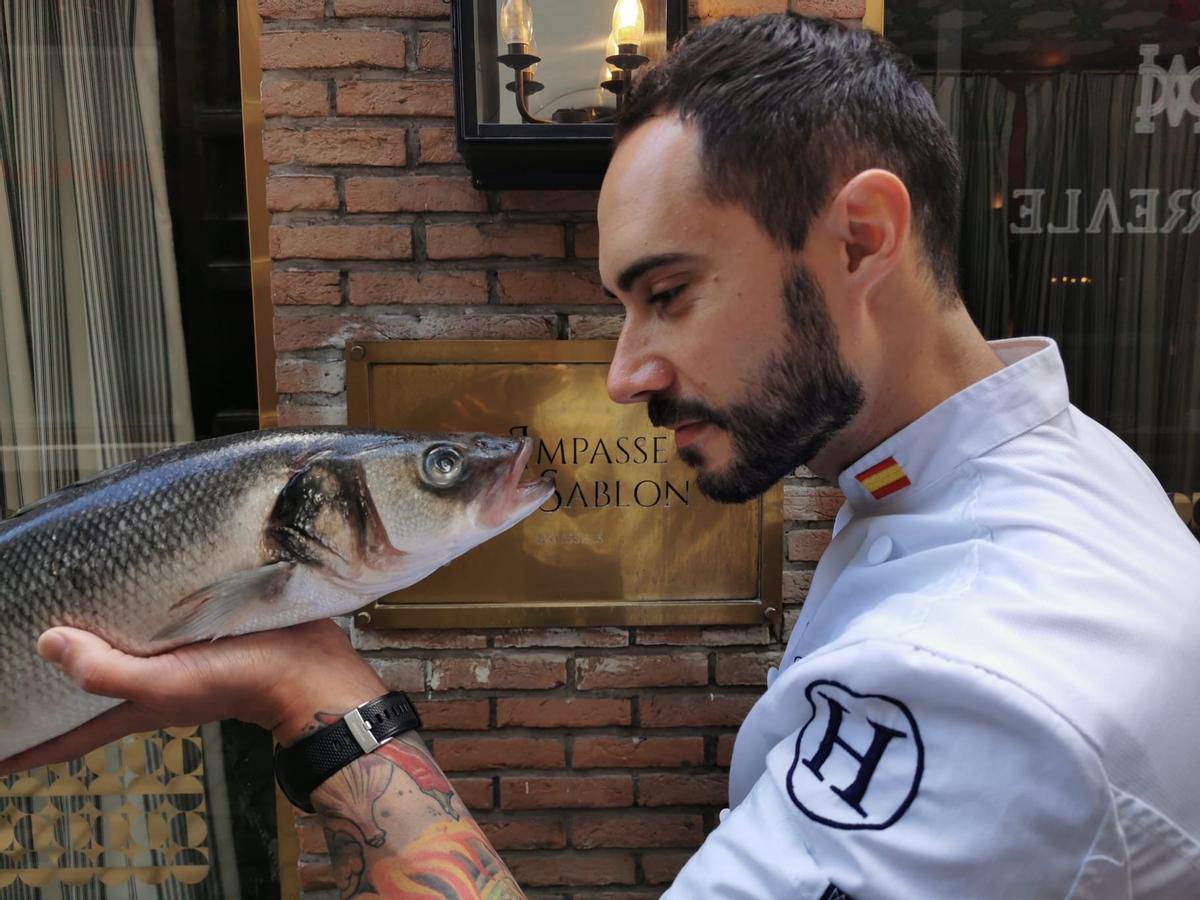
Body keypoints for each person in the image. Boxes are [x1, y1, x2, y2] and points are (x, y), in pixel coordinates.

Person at [4, 13, 1199, 898]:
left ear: (860, 238)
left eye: (667, 293)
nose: (625, 375)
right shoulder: (1032, 463)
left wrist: (319, 702)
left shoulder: (986, 693)